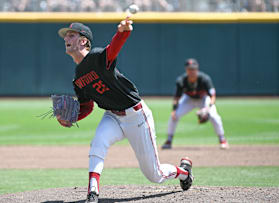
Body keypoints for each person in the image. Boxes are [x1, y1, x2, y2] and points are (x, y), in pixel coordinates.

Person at [57, 19, 193, 203]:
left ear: (83, 41)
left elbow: (113, 49)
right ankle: (93, 192)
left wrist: (123, 32)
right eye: (66, 35)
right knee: (98, 143)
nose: (66, 38)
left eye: (71, 35)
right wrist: (71, 118)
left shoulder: (97, 57)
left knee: (155, 174)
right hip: (112, 116)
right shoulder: (77, 79)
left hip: (136, 115)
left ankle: (184, 172)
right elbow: (87, 106)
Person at [162, 58, 229, 150]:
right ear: (186, 70)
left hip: (203, 99)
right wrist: (174, 110)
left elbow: (212, 96)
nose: (192, 71)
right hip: (188, 99)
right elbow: (177, 98)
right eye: (190, 69)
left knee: (214, 116)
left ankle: (222, 139)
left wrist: (208, 108)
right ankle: (169, 141)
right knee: (174, 116)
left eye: (194, 69)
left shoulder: (205, 79)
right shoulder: (181, 81)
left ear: (197, 69)